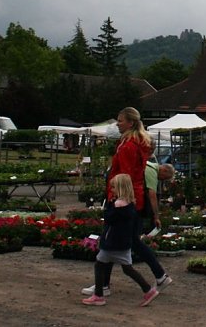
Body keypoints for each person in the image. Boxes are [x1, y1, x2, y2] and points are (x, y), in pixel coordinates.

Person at [82, 108, 173, 298]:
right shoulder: (137, 144)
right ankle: (159, 276)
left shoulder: (128, 146)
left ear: (130, 123)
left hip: (124, 198)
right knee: (131, 241)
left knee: (109, 239)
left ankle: (104, 286)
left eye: (121, 120)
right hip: (134, 198)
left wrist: (118, 198)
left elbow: (125, 175)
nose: (117, 123)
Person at [81, 174, 159, 307]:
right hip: (124, 243)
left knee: (99, 265)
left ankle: (98, 295)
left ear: (120, 188)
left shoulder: (117, 205)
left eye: (113, 187)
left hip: (112, 243)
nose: (112, 190)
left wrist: (109, 205)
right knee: (128, 269)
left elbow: (109, 219)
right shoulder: (130, 205)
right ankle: (148, 290)